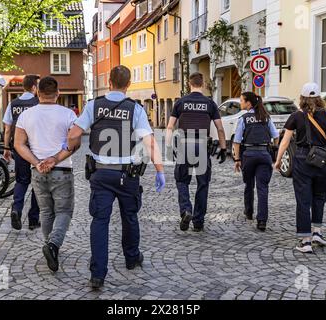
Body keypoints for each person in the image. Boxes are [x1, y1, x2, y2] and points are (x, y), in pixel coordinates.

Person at [67, 65, 165, 289]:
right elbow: (150, 142)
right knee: (130, 217)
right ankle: (132, 258)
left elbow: (74, 133)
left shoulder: (94, 105)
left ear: (109, 82)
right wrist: (160, 170)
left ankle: (98, 275)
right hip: (127, 175)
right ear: (128, 84)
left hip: (100, 174)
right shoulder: (135, 109)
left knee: (99, 221)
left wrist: (67, 147)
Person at [14, 77, 77, 272]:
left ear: (37, 93)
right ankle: (53, 245)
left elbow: (18, 144)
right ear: (58, 93)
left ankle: (51, 246)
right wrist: (55, 159)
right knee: (64, 211)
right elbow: (74, 144)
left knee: (46, 212)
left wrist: (37, 162)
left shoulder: (26, 115)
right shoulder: (68, 114)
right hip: (62, 170)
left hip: (38, 171)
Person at [275, 83, 326, 253]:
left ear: (302, 98)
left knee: (303, 199)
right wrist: (325, 138)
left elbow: (285, 141)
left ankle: (305, 242)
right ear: (319, 98)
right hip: (322, 160)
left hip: (303, 159)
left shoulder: (296, 116)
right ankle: (317, 231)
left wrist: (278, 160)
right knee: (319, 196)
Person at [166, 72, 227, 232]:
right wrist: (223, 148)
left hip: (184, 145)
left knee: (181, 181)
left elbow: (170, 126)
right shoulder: (210, 103)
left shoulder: (181, 102)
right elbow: (220, 128)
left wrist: (168, 146)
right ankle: (198, 222)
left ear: (189, 84)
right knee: (203, 184)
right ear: (203, 84)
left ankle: (186, 210)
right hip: (202, 145)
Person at [233, 92, 279, 232]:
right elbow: (276, 136)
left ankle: (248, 211)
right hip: (264, 155)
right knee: (263, 187)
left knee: (249, 184)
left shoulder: (243, 119)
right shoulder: (265, 117)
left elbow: (236, 142)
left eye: (241, 101)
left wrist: (237, 159)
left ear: (249, 103)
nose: (240, 103)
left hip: (249, 155)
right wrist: (274, 150)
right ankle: (262, 221)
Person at [2, 74, 41, 231]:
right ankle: (33, 219)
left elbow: (7, 129)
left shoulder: (13, 104)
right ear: (33, 87)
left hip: (19, 148)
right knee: (37, 183)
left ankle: (16, 210)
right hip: (37, 149)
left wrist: (6, 148)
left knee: (22, 180)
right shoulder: (39, 103)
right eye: (38, 86)